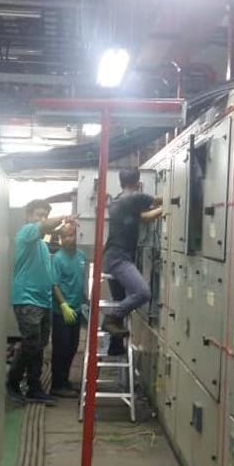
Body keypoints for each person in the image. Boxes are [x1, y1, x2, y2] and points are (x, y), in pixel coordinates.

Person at [7, 199, 69, 405]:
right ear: (28, 216)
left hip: (43, 301)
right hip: (27, 298)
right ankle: (12, 383)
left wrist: (60, 302)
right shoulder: (26, 233)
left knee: (40, 345)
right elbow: (44, 226)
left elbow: (50, 277)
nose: (41, 219)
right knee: (30, 344)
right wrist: (62, 218)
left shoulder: (42, 246)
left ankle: (34, 388)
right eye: (38, 215)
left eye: (45, 215)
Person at [102, 168, 164, 336]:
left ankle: (115, 348)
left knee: (120, 300)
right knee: (143, 293)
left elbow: (145, 218)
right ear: (138, 183)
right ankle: (110, 319)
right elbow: (162, 200)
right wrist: (172, 203)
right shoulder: (136, 197)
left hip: (113, 256)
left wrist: (160, 212)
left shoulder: (118, 201)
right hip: (119, 259)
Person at [50, 222, 87, 397]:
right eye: (64, 236)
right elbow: (54, 284)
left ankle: (64, 380)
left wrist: (85, 300)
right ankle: (57, 385)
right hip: (62, 312)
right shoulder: (57, 258)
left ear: (76, 236)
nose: (67, 239)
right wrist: (63, 305)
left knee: (72, 347)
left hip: (77, 309)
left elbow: (82, 279)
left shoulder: (81, 256)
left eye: (70, 235)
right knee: (61, 348)